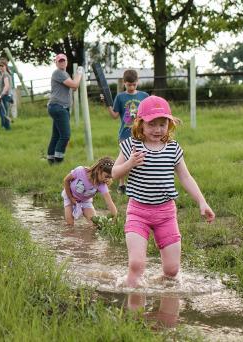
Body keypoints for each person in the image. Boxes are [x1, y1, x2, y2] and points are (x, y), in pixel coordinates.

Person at [111, 95, 215, 288]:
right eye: (152, 124)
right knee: (136, 264)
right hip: (138, 212)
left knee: (172, 271)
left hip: (166, 213)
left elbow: (186, 177)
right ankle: (132, 293)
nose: (158, 129)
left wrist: (202, 202)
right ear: (140, 124)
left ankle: (162, 294)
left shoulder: (173, 149)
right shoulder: (131, 146)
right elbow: (114, 173)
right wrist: (130, 163)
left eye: (162, 124)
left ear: (169, 124)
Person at [105, 69, 149, 193]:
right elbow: (114, 115)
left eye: (134, 84)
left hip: (141, 133)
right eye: (129, 84)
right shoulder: (120, 97)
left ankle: (137, 183)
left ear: (137, 82)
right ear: (124, 83)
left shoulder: (144, 96)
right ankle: (122, 184)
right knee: (124, 159)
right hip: (125, 133)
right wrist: (107, 104)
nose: (131, 87)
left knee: (139, 158)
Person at [47, 53, 82, 164]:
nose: (62, 62)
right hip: (59, 107)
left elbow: (73, 87)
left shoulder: (64, 74)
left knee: (56, 136)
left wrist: (75, 80)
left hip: (57, 107)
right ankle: (58, 160)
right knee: (65, 136)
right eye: (59, 61)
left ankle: (51, 159)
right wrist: (79, 73)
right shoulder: (58, 72)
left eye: (64, 60)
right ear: (56, 63)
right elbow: (75, 85)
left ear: (66, 62)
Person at [61, 157, 117, 226]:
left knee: (95, 224)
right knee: (70, 224)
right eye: (106, 176)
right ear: (99, 169)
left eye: (110, 177)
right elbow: (66, 180)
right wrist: (71, 198)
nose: (107, 179)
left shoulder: (101, 185)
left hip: (85, 201)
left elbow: (109, 202)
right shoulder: (80, 171)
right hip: (70, 196)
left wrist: (115, 219)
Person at [0, 59, 13, 130]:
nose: (0, 67)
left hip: (5, 96)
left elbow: (7, 86)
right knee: (0, 108)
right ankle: (4, 125)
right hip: (5, 95)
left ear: (5, 66)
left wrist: (1, 94)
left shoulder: (5, 74)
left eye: (2, 66)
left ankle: (7, 127)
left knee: (4, 112)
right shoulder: (4, 74)